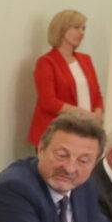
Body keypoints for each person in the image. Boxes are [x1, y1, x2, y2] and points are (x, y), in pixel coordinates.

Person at [27, 9, 103, 146]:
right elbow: (48, 101)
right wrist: (84, 114)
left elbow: (97, 95)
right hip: (55, 133)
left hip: (85, 131)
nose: (82, 32)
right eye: (76, 27)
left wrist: (98, 114)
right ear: (62, 29)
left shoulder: (86, 59)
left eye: (83, 28)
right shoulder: (46, 62)